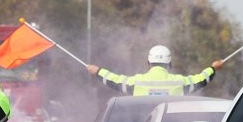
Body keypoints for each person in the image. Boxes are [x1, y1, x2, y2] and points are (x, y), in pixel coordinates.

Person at [86, 45, 224, 96]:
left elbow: (114, 80)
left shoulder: (136, 82)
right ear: (169, 64)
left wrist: (98, 71)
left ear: (149, 63)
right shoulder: (180, 83)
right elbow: (202, 79)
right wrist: (213, 68)